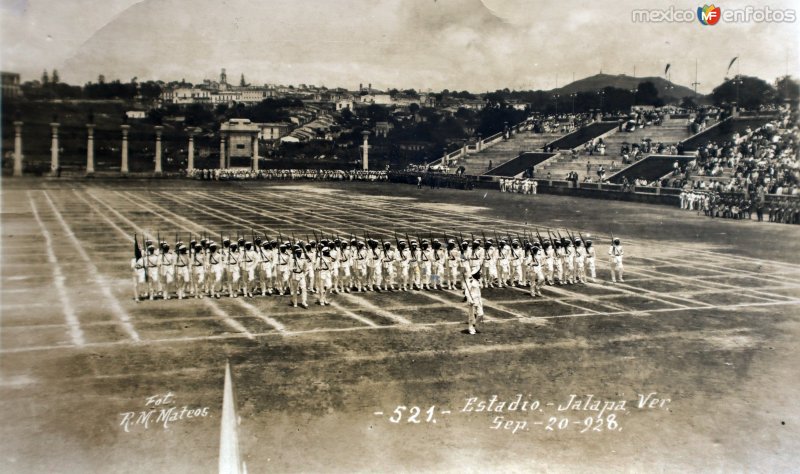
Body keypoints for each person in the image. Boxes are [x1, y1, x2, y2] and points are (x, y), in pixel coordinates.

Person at [464, 270, 484, 335]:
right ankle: (471, 328)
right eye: (478, 274)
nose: (480, 275)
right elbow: (467, 292)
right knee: (471, 315)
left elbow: (481, 288)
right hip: (472, 300)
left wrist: (480, 282)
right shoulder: (470, 282)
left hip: (478, 300)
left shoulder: (478, 281)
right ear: (475, 275)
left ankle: (474, 324)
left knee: (481, 314)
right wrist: (470, 300)